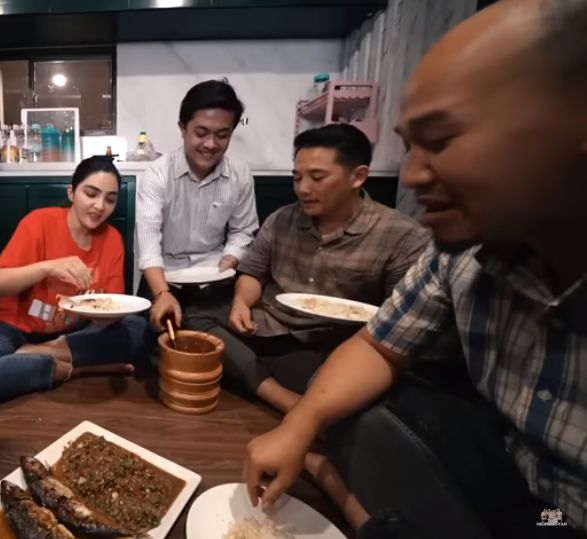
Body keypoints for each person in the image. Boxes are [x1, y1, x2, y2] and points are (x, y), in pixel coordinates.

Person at [242, 1, 587, 538]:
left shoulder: (407, 234)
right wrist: (300, 424)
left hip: (559, 516)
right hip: (506, 473)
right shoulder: (460, 253)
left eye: (442, 140)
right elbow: (380, 345)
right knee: (349, 404)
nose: (414, 175)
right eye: (409, 147)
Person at [190, 123, 429, 412]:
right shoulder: (281, 220)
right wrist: (241, 303)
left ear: (358, 176)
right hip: (271, 327)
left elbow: (400, 320)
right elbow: (253, 272)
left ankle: (254, 374)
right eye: (297, 177)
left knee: (365, 384)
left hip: (336, 343)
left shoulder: (402, 235)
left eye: (317, 177)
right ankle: (281, 395)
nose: (303, 188)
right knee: (193, 315)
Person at [0, 156, 150, 403]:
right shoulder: (39, 222)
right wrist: (47, 267)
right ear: (71, 192)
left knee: (139, 329)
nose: (100, 206)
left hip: (75, 333)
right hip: (17, 328)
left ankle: (40, 355)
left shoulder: (112, 239)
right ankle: (73, 370)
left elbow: (113, 309)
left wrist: (102, 312)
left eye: (110, 199)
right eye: (91, 194)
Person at [135, 79, 258, 332]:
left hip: (215, 278)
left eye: (222, 135)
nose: (211, 144)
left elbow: (243, 231)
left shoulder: (240, 174)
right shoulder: (157, 174)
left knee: (230, 334)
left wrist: (225, 265)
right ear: (183, 128)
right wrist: (162, 294)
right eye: (201, 133)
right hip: (163, 278)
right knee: (155, 339)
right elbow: (147, 243)